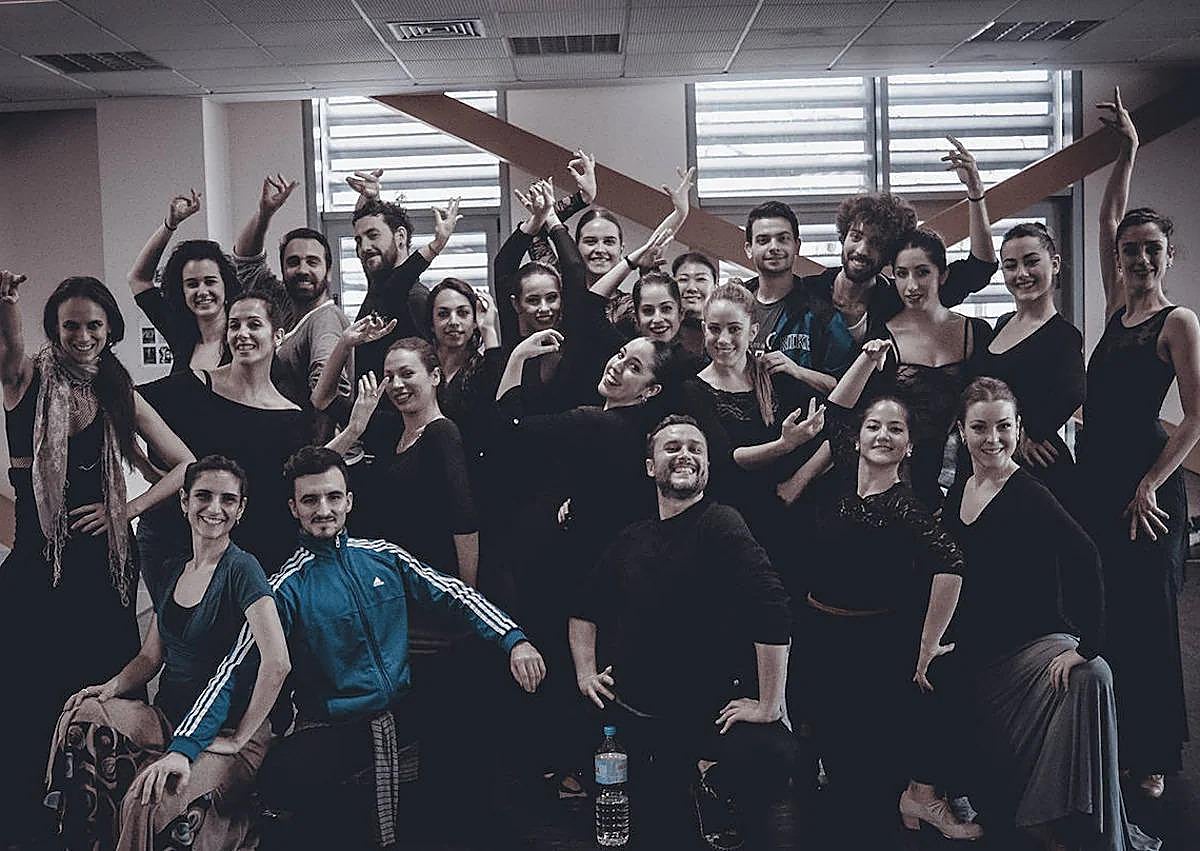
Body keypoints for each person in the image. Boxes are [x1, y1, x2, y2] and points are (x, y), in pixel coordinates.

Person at [131, 446, 545, 848]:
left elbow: (456, 594)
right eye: (310, 500)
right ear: (294, 508)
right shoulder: (284, 587)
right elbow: (233, 668)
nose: (323, 509)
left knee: (480, 697)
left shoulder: (384, 556)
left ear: (349, 501)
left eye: (332, 497)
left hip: (403, 708)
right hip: (337, 725)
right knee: (286, 780)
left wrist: (515, 640)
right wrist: (184, 749)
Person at [0, 273, 194, 845]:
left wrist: (126, 509)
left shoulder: (118, 392)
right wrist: (7, 304)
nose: (82, 336)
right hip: (38, 567)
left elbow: (186, 465)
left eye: (93, 325)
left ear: (109, 330)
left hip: (104, 571)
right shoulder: (27, 380)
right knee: (27, 697)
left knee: (104, 692)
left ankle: (103, 819)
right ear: (53, 330)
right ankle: (26, 823)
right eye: (71, 326)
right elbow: (8, 355)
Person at [942, 378, 1160, 851]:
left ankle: (1055, 817)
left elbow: (1087, 558)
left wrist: (1088, 647)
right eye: (979, 427)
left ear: (1020, 429)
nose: (992, 439)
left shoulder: (1029, 493)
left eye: (1003, 426)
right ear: (961, 431)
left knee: (1093, 676)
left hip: (1031, 646)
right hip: (977, 651)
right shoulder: (959, 490)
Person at [569, 414, 800, 849]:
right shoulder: (632, 537)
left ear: (707, 469)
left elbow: (773, 607)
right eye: (672, 447)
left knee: (775, 752)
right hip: (636, 716)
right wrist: (585, 673)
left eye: (696, 449)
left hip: (704, 717)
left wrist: (771, 703)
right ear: (650, 466)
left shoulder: (720, 522)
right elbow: (584, 610)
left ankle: (709, 780)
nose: (685, 455)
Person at [46, 456, 290, 851]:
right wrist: (108, 689)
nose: (214, 508)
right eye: (204, 496)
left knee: (152, 799)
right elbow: (149, 659)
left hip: (220, 733)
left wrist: (241, 736)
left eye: (228, 500)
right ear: (184, 502)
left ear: (241, 509)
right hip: (168, 718)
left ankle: (229, 825)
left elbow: (277, 662)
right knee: (82, 718)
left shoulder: (243, 570)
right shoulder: (175, 569)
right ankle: (95, 841)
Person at [798, 339, 980, 843]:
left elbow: (953, 565)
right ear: (858, 440)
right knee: (829, 761)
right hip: (818, 630)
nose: (882, 435)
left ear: (910, 445)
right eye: (874, 426)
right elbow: (837, 410)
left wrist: (926, 644)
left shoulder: (905, 505)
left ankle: (913, 801)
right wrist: (868, 360)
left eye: (895, 429)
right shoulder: (838, 476)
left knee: (863, 783)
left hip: (871, 643)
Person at [494, 330, 682, 799]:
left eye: (634, 367)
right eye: (621, 355)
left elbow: (509, 428)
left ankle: (578, 774)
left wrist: (516, 358)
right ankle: (582, 771)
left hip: (582, 575)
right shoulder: (630, 429)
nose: (618, 365)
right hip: (609, 576)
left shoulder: (598, 423)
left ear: (651, 391)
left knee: (578, 677)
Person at [1079, 88, 1200, 798]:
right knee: (1109, 612)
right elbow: (1103, 217)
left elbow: (1195, 418)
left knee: (1152, 620)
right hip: (1099, 477)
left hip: (1145, 486)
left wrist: (1153, 483)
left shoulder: (1178, 322)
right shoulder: (1119, 305)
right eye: (1131, 250)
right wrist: (1128, 150)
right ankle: (1114, 737)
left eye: (1152, 249)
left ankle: (1153, 755)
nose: (1139, 258)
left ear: (1170, 254)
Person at [135, 292, 311, 580]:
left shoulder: (290, 416)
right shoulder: (194, 386)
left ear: (277, 336)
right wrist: (144, 467)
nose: (242, 333)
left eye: (254, 324)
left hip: (258, 556)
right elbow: (125, 402)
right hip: (182, 546)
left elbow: (295, 481)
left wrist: (354, 429)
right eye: (234, 325)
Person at [684, 282, 826, 573]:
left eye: (734, 329)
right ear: (704, 328)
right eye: (714, 329)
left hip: (788, 517)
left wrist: (797, 482)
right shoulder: (692, 390)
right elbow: (727, 460)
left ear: (753, 330)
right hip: (730, 523)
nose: (723, 339)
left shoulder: (776, 375)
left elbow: (839, 423)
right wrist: (785, 444)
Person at [328, 337, 480, 587]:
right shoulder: (391, 428)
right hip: (386, 574)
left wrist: (467, 593)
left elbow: (464, 518)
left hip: (427, 578)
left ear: (435, 377)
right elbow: (322, 400)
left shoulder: (442, 433)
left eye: (407, 373)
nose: (397, 384)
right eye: (389, 376)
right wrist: (345, 342)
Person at [872, 227, 994, 508]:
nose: (911, 286)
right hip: (905, 480)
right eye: (902, 274)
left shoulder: (976, 331)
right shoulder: (881, 337)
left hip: (972, 472)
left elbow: (993, 402)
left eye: (922, 272)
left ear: (943, 275)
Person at [972, 222, 1084, 506]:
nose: (1021, 274)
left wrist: (1024, 434)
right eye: (1011, 266)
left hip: (1036, 469)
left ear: (1055, 264)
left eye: (1031, 262)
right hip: (988, 460)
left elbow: (1073, 393)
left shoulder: (1064, 336)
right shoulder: (1001, 323)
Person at [231, 173, 352, 434]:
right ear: (284, 269)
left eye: (312, 261)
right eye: (294, 262)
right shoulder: (284, 307)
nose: (302, 269)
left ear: (328, 271)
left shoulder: (325, 321)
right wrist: (264, 214)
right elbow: (245, 262)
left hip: (308, 453)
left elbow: (329, 395)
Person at [343, 167, 462, 381]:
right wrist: (370, 202)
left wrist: (435, 245)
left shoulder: (415, 298)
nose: (365, 247)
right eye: (359, 241)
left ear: (400, 237)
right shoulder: (378, 285)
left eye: (373, 235)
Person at [128, 190, 240, 373]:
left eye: (210, 281)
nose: (202, 291)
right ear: (182, 290)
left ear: (225, 285)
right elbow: (138, 279)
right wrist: (170, 225)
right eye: (192, 284)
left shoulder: (243, 335)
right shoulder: (180, 332)